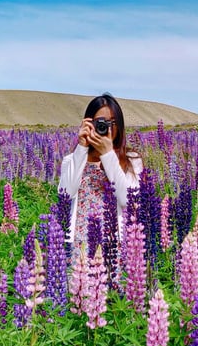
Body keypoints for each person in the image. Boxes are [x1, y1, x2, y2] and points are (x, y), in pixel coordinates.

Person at [58, 93, 143, 249]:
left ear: (120, 125)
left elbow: (128, 201)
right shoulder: (72, 159)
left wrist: (108, 154)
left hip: (114, 247)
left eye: (112, 122)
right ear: (88, 123)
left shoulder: (132, 159)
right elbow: (65, 194)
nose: (106, 128)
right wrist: (81, 147)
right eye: (99, 122)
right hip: (78, 246)